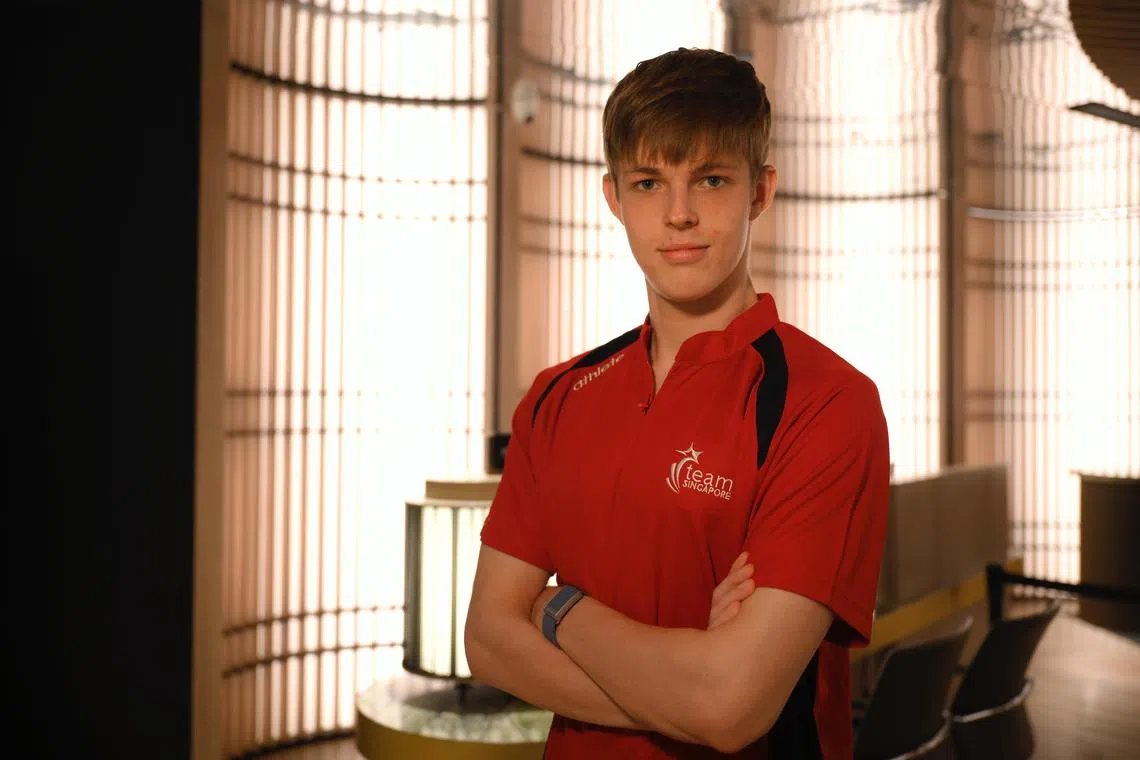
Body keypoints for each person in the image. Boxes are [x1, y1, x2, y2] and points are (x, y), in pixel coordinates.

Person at [465, 47, 890, 758]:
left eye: (712, 179)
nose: (680, 214)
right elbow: (487, 641)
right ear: (614, 199)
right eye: (649, 182)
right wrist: (686, 683)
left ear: (760, 191)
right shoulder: (556, 397)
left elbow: (728, 707)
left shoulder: (826, 404)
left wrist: (556, 607)